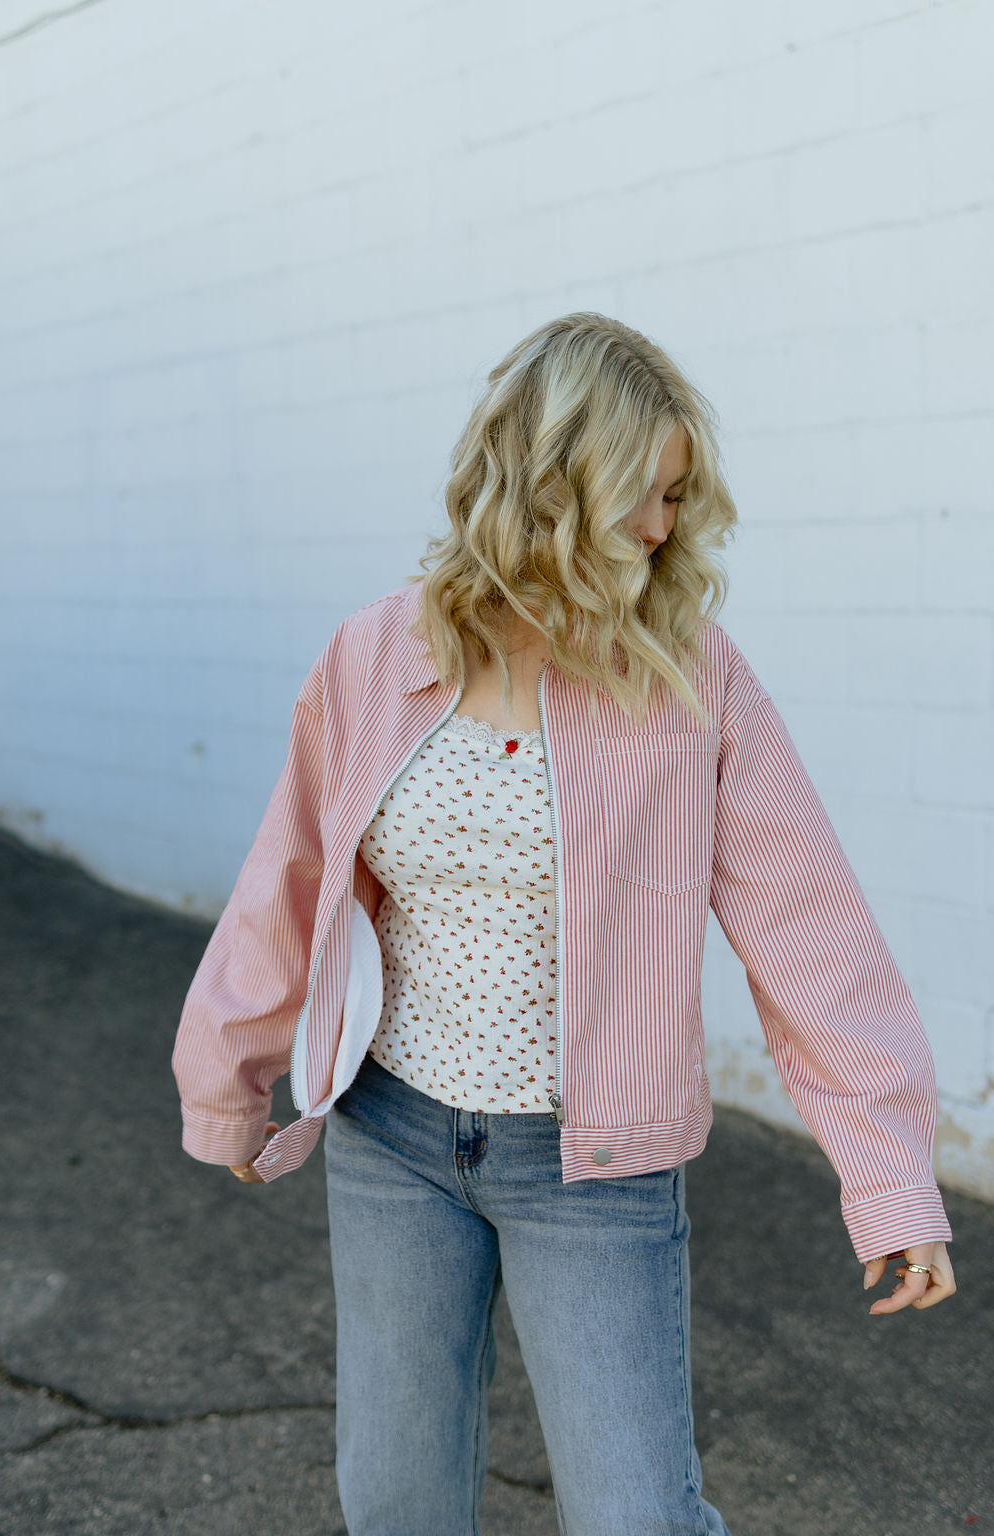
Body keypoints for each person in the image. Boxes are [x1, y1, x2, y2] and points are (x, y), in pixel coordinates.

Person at [171, 312, 956, 1536]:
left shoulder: (691, 679)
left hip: (590, 1166)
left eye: (679, 499)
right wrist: (228, 1074)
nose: (663, 529)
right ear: (552, 485)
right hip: (391, 1135)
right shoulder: (375, 655)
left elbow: (814, 938)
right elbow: (293, 872)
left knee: (637, 1516)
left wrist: (891, 1181)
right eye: (645, 496)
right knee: (395, 1500)